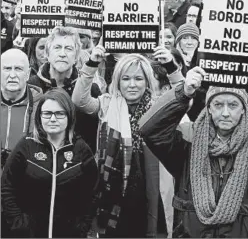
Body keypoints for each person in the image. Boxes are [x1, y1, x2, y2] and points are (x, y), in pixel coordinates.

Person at [139, 68, 248, 237]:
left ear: (244, 109)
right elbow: (149, 130)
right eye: (218, 104)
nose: (225, 113)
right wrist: (182, 94)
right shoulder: (187, 138)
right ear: (208, 108)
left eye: (232, 105)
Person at [72, 49, 177, 237]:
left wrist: (171, 66)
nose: (132, 85)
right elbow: (79, 100)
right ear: (118, 81)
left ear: (147, 82)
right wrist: (91, 64)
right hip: (113, 190)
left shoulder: (158, 106)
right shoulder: (107, 103)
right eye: (126, 79)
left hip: (149, 190)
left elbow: (183, 97)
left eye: (138, 79)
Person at [1, 88, 98, 238]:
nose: (53, 119)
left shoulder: (81, 150)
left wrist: (81, 227)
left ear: (69, 116)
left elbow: (92, 193)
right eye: (47, 113)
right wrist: (19, 224)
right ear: (39, 116)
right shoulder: (26, 146)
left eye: (59, 113)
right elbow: (7, 186)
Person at [27, 26, 101, 152]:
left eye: (68, 48)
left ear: (77, 57)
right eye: (57, 48)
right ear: (47, 54)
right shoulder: (31, 87)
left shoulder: (91, 90)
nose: (62, 54)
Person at [1, 49, 43, 167]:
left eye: (18, 69)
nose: (12, 75)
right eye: (7, 68)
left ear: (28, 73)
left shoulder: (42, 106)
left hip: (25, 178)